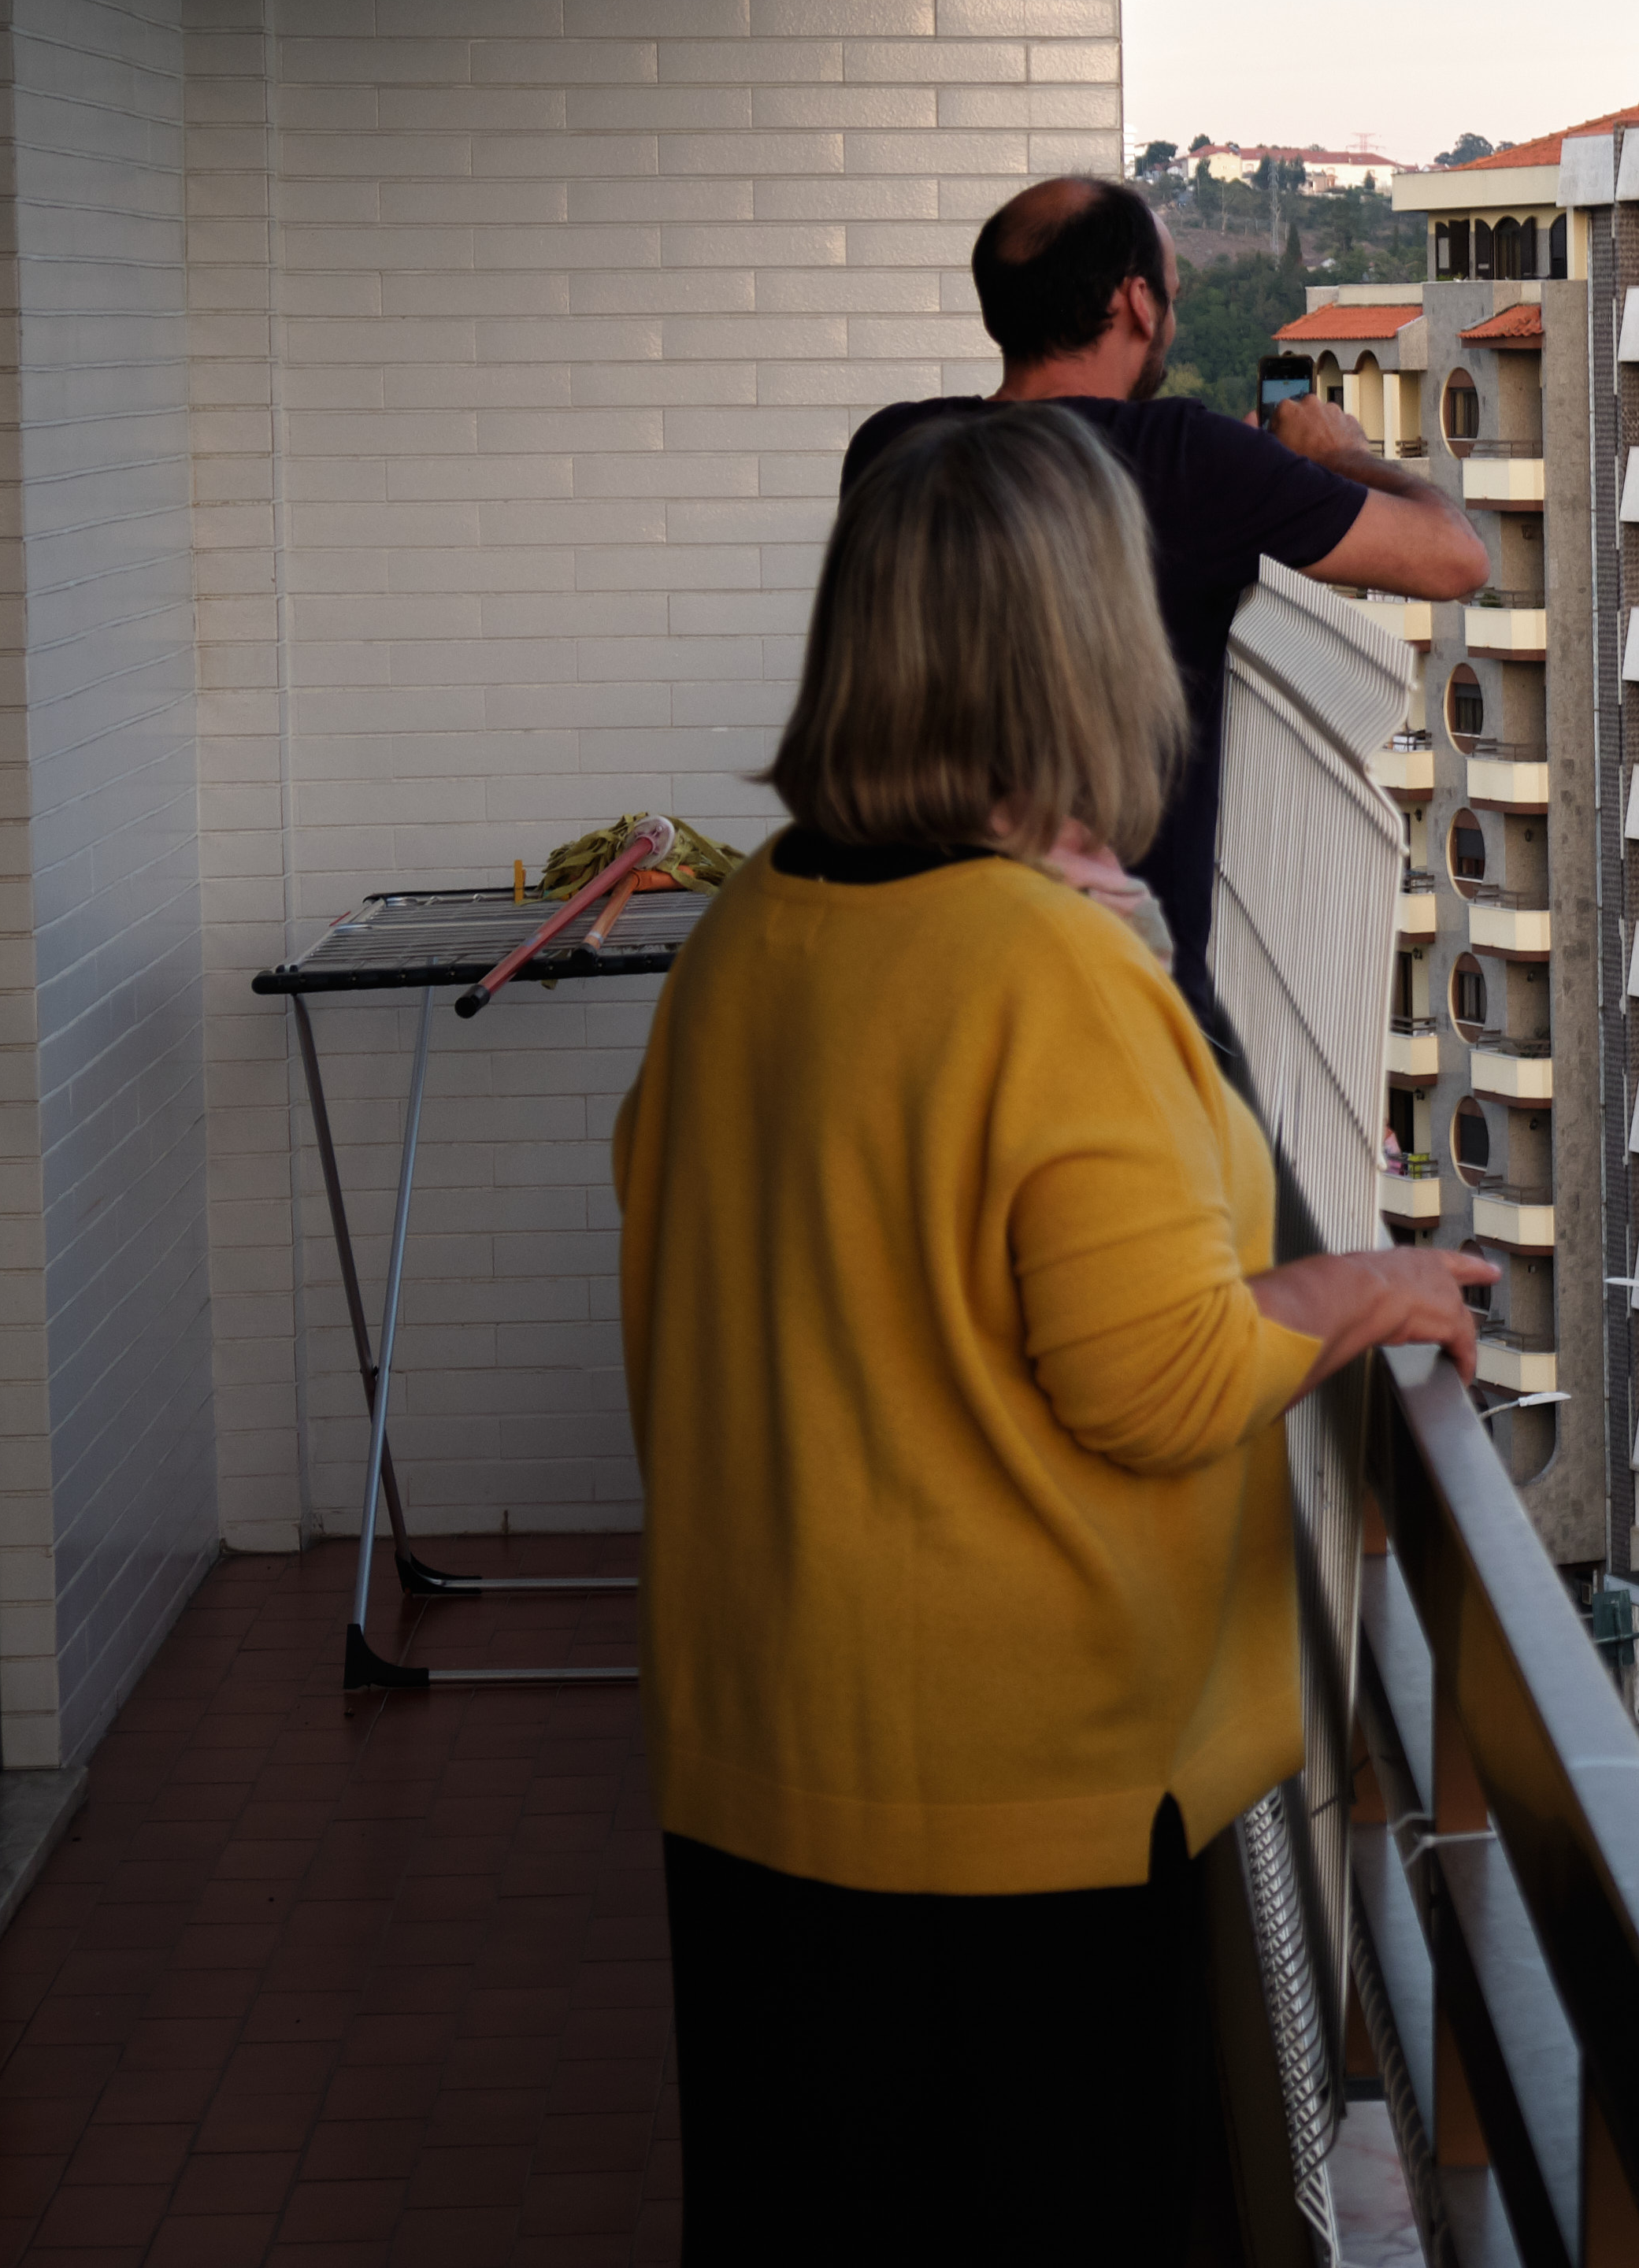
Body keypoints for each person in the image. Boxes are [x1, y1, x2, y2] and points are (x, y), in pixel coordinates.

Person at [616, 402, 1500, 2255]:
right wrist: (1365, 1287)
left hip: (761, 1766)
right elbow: (1156, 1376)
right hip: (1017, 1819)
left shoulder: (746, 932)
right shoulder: (1041, 969)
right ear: (1088, 654)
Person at [846, 176, 1489, 1099]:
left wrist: (1247, 476)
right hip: (1104, 1009)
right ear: (1137, 303)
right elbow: (1453, 556)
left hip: (909, 975)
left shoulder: (892, 449)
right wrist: (1334, 456)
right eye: (1174, 295)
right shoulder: (1186, 462)